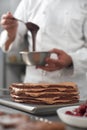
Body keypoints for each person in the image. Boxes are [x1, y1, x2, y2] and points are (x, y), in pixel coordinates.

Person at [0, 0, 87, 100]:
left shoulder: (83, 3)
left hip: (72, 91)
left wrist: (71, 60)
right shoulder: (29, 2)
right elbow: (11, 40)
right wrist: (11, 32)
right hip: (34, 88)